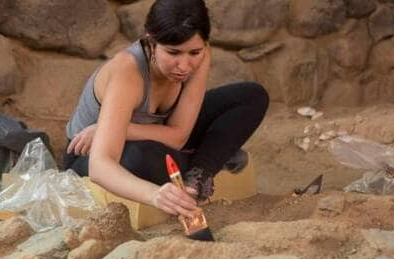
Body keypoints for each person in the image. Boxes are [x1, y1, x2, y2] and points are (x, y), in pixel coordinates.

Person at [62, 0, 268, 219]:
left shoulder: (201, 53)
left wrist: (117, 129)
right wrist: (154, 195)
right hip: (92, 154)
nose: (184, 66)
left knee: (252, 96)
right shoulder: (127, 73)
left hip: (161, 137)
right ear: (151, 42)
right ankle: (211, 158)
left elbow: (179, 135)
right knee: (140, 158)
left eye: (194, 53)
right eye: (173, 53)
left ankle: (196, 178)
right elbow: (100, 166)